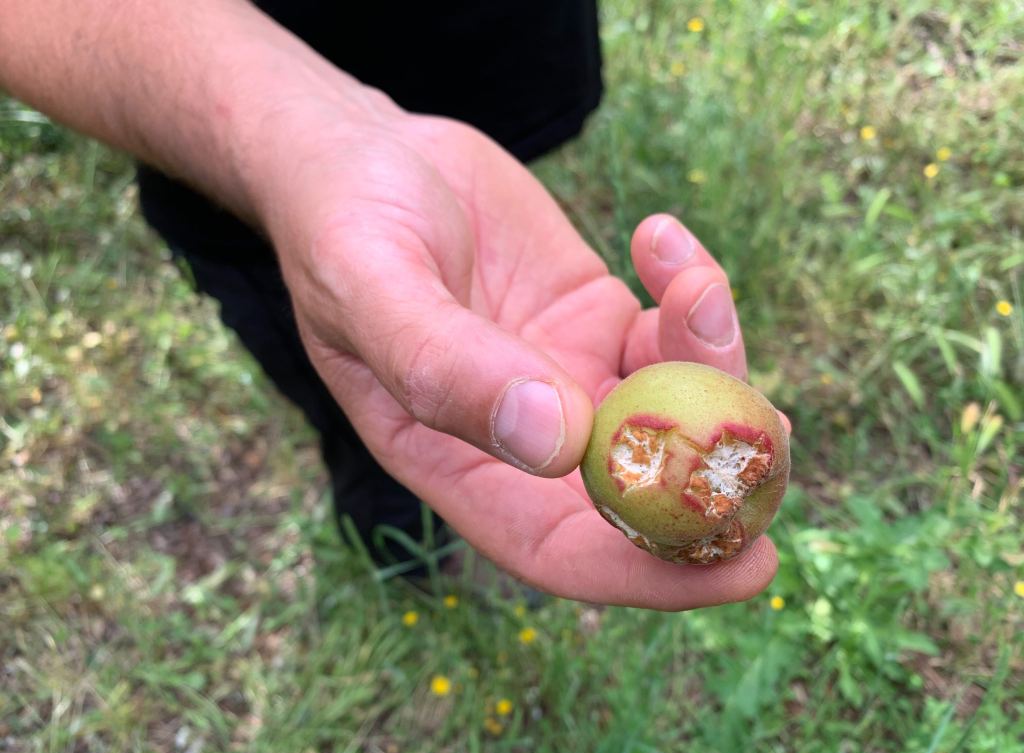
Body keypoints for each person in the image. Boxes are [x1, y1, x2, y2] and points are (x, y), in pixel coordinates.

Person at [1, 0, 779, 610]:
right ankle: (397, 543)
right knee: (348, 387)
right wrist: (302, 144)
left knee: (417, 349)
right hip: (230, 173)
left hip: (495, 68)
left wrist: (410, 151)